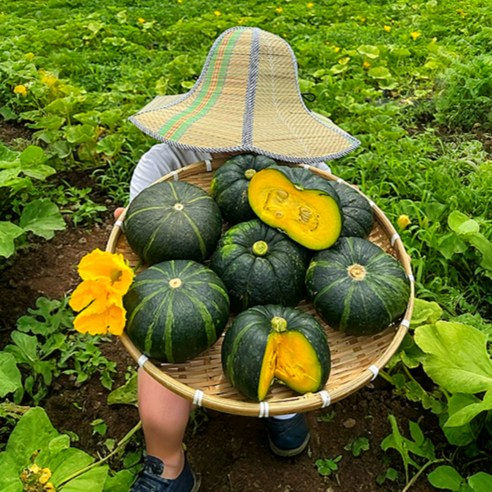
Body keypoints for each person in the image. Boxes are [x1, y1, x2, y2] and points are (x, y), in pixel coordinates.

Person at [119, 26, 360, 492]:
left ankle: (283, 409)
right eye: (230, 134)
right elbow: (146, 240)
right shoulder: (163, 165)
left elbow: (323, 246)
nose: (244, 149)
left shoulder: (308, 172)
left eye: (261, 138)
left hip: (279, 297)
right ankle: (167, 463)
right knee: (160, 359)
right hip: (192, 292)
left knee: (290, 335)